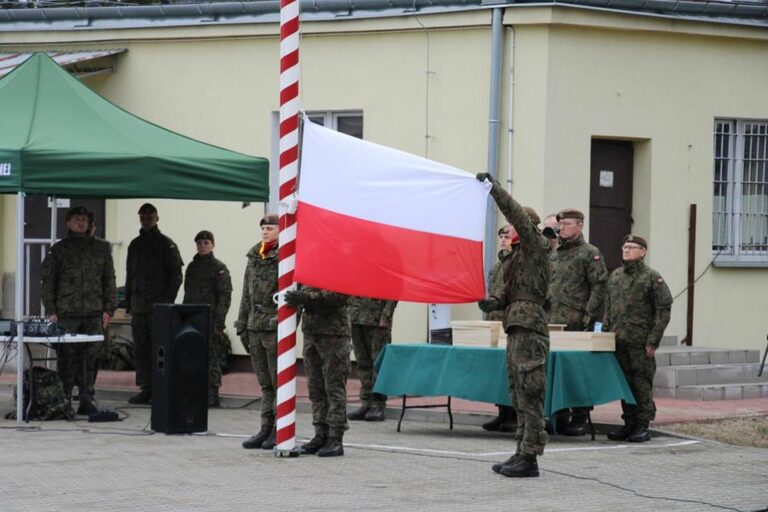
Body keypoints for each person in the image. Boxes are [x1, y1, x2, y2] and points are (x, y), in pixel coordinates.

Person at [477, 173, 550, 478]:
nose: (508, 232)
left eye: (513, 229)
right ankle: (521, 450)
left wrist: (495, 190)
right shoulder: (515, 260)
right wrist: (489, 301)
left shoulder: (536, 248)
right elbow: (505, 295)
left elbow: (517, 215)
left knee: (530, 392)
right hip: (516, 326)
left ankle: (530, 456)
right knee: (518, 392)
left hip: (529, 328)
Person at [40, 206, 116, 415]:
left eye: (84, 219)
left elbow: (109, 280)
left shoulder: (101, 248)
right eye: (76, 219)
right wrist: (52, 309)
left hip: (93, 313)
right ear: (68, 223)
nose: (80, 223)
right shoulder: (59, 249)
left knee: (91, 360)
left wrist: (109, 309)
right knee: (66, 360)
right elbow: (48, 282)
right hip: (67, 313)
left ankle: (86, 400)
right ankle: (63, 401)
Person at [605, 235, 672, 443]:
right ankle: (629, 423)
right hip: (618, 340)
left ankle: (643, 425)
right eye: (624, 246)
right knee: (624, 384)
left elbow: (663, 309)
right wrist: (605, 332)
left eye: (632, 247)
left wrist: (653, 340)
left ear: (643, 252)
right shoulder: (616, 276)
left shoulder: (652, 277)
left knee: (641, 383)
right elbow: (608, 307)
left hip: (640, 342)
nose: (626, 250)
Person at [547, 208, 608, 436]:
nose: (561, 228)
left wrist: (588, 317)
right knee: (556, 371)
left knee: (577, 371)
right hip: (553, 321)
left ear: (580, 225)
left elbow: (599, 286)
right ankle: (559, 414)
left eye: (566, 224)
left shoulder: (589, 253)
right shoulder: (554, 254)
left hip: (576, 322)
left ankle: (579, 416)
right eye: (560, 224)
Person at [125, 203, 184, 405]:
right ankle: (145, 388)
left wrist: (167, 302)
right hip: (139, 307)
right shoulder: (135, 245)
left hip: (158, 307)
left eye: (150, 217)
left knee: (160, 350)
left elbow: (176, 274)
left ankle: (161, 388)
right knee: (141, 350)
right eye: (143, 217)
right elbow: (130, 276)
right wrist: (128, 304)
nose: (146, 220)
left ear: (157, 218)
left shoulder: (166, 244)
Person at [285, 286, 350, 457]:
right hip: (311, 333)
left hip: (334, 334)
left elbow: (340, 295)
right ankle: (320, 434)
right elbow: (297, 299)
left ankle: (335, 438)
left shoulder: (338, 265)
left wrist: (305, 297)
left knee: (334, 388)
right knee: (315, 388)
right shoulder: (309, 267)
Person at [239, 214, 280, 450]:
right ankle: (265, 427)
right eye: (263, 228)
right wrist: (242, 323)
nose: (265, 232)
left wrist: (284, 325)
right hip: (255, 324)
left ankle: (278, 427)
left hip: (273, 326)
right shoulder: (255, 255)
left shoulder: (284, 255)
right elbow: (246, 292)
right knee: (264, 383)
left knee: (277, 382)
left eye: (270, 228)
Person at [182, 230, 232, 408]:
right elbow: (187, 293)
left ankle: (212, 393)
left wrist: (219, 321)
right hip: (191, 318)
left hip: (209, 319)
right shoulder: (192, 266)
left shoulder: (219, 268)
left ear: (212, 245)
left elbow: (225, 297)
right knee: (192, 356)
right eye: (199, 243)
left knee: (211, 357)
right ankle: (195, 390)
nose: (202, 246)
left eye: (206, 243)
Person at [347, 296, 397, 422]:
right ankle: (366, 402)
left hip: (377, 318)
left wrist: (386, 315)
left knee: (379, 363)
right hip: (356, 316)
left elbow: (394, 291)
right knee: (362, 363)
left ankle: (377, 404)